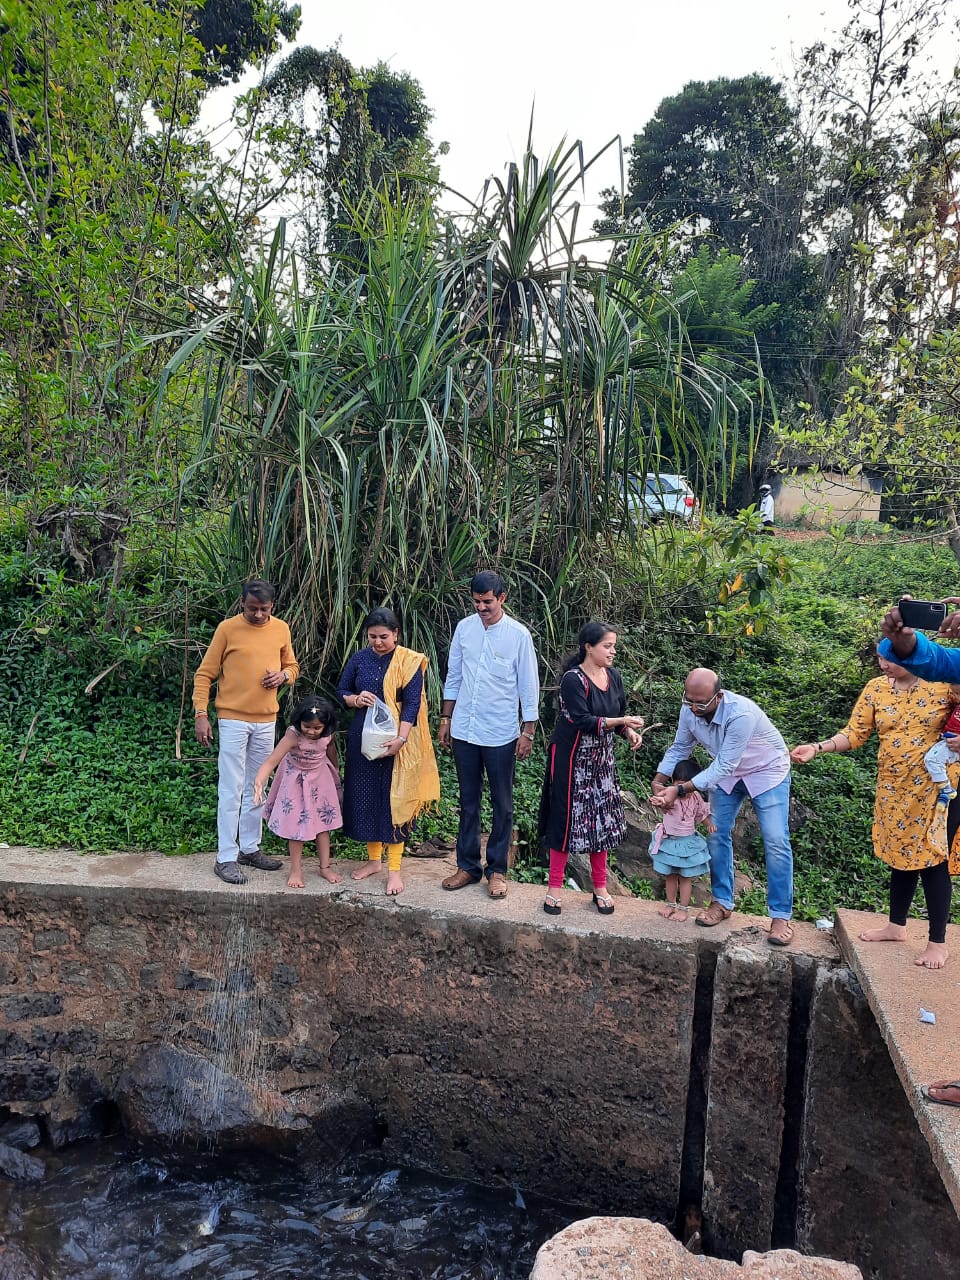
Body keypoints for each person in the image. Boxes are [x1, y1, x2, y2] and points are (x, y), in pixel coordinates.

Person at [791, 644, 959, 969]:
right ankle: (896, 926)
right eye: (881, 658)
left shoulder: (943, 682)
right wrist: (817, 747)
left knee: (933, 859)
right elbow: (855, 733)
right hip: (894, 790)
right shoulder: (876, 689)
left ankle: (938, 943)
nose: (884, 664)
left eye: (892, 659)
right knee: (899, 855)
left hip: (939, 790)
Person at [651, 668, 795, 945]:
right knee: (717, 834)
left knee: (775, 839)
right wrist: (659, 780)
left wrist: (680, 789)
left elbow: (724, 763)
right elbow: (681, 747)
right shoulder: (689, 710)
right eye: (688, 700)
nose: (693, 708)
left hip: (767, 772)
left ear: (718, 697)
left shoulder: (740, 714)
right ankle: (722, 902)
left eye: (700, 703)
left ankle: (780, 916)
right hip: (727, 776)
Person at [438, 571, 540, 900]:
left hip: (500, 732)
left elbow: (528, 684)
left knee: (503, 804)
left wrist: (528, 730)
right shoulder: (464, 629)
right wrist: (445, 718)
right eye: (477, 601)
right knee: (468, 802)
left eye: (488, 602)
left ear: (502, 599)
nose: (482, 607)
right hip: (465, 728)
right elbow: (454, 675)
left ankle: (497, 870)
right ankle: (467, 866)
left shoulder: (518, 635)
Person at [193, 580, 299, 885]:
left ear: (272, 608)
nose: (258, 615)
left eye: (264, 609)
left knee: (257, 784)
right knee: (231, 787)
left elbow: (293, 666)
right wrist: (202, 714)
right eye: (252, 608)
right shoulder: (227, 629)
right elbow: (205, 674)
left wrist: (283, 675)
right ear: (242, 604)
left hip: (266, 720)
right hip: (232, 718)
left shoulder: (280, 628)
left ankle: (249, 848)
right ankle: (225, 856)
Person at [537, 622, 644, 916]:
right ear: (588, 647)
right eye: (607, 646)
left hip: (602, 760)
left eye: (614, 647)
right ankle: (554, 889)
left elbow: (616, 715)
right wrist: (622, 723)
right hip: (572, 759)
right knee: (565, 819)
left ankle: (600, 888)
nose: (612, 652)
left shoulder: (614, 676)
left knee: (603, 820)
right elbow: (583, 720)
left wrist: (628, 732)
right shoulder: (574, 679)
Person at [337, 608, 440, 896]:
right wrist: (355, 699)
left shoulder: (409, 661)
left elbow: (411, 704)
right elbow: (342, 689)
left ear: (396, 634)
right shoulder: (360, 659)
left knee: (394, 802)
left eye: (384, 636)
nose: (378, 642)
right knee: (366, 797)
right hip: (364, 737)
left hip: (398, 738)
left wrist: (401, 739)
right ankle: (373, 861)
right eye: (372, 637)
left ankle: (394, 869)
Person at [253, 696, 343, 889]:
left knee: (323, 824)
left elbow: (330, 749)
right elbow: (272, 760)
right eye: (307, 726)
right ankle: (295, 869)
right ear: (299, 722)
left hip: (320, 780)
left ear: (326, 726)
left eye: (317, 728)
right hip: (296, 781)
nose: (311, 731)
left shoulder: (328, 733)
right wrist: (260, 779)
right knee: (296, 826)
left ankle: (325, 867)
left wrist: (335, 769)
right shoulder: (293, 735)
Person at [649, 758, 715, 922]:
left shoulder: (696, 797)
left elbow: (701, 814)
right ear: (673, 782)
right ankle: (671, 904)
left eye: (688, 786)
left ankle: (684, 909)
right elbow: (662, 800)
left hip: (687, 844)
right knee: (670, 876)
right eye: (679, 784)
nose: (683, 790)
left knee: (686, 877)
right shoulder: (671, 795)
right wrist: (658, 801)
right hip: (669, 842)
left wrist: (709, 824)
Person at [923, 701, 960, 806]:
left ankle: (946, 788)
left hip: (951, 748)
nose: (956, 697)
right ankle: (945, 791)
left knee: (932, 759)